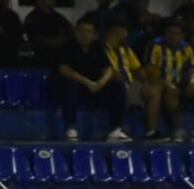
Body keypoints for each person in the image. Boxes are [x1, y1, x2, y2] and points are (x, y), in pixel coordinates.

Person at [56, 14, 130, 143]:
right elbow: (64, 70)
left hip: (94, 88)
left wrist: (100, 83)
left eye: (89, 31)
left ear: (94, 34)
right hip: (77, 87)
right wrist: (88, 83)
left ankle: (116, 129)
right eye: (82, 30)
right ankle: (71, 128)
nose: (85, 34)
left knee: (118, 85)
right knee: (70, 84)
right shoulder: (67, 46)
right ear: (75, 31)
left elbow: (108, 69)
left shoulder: (97, 46)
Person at [104, 21, 161, 140]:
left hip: (130, 83)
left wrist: (147, 76)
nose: (126, 35)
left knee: (154, 89)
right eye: (123, 32)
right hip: (109, 85)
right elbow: (106, 71)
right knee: (121, 87)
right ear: (114, 32)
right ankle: (117, 129)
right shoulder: (101, 49)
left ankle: (151, 132)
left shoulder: (125, 49)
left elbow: (137, 69)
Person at [144, 19, 194, 143]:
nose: (172, 36)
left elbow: (192, 68)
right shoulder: (156, 45)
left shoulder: (186, 47)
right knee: (166, 93)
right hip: (159, 82)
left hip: (181, 82)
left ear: (183, 36)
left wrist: (192, 81)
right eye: (170, 33)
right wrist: (168, 84)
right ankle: (159, 132)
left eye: (177, 33)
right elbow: (150, 70)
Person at [24, 0, 73, 70]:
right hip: (41, 61)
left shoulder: (58, 17)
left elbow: (72, 32)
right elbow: (41, 41)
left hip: (60, 61)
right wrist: (64, 40)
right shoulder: (33, 17)